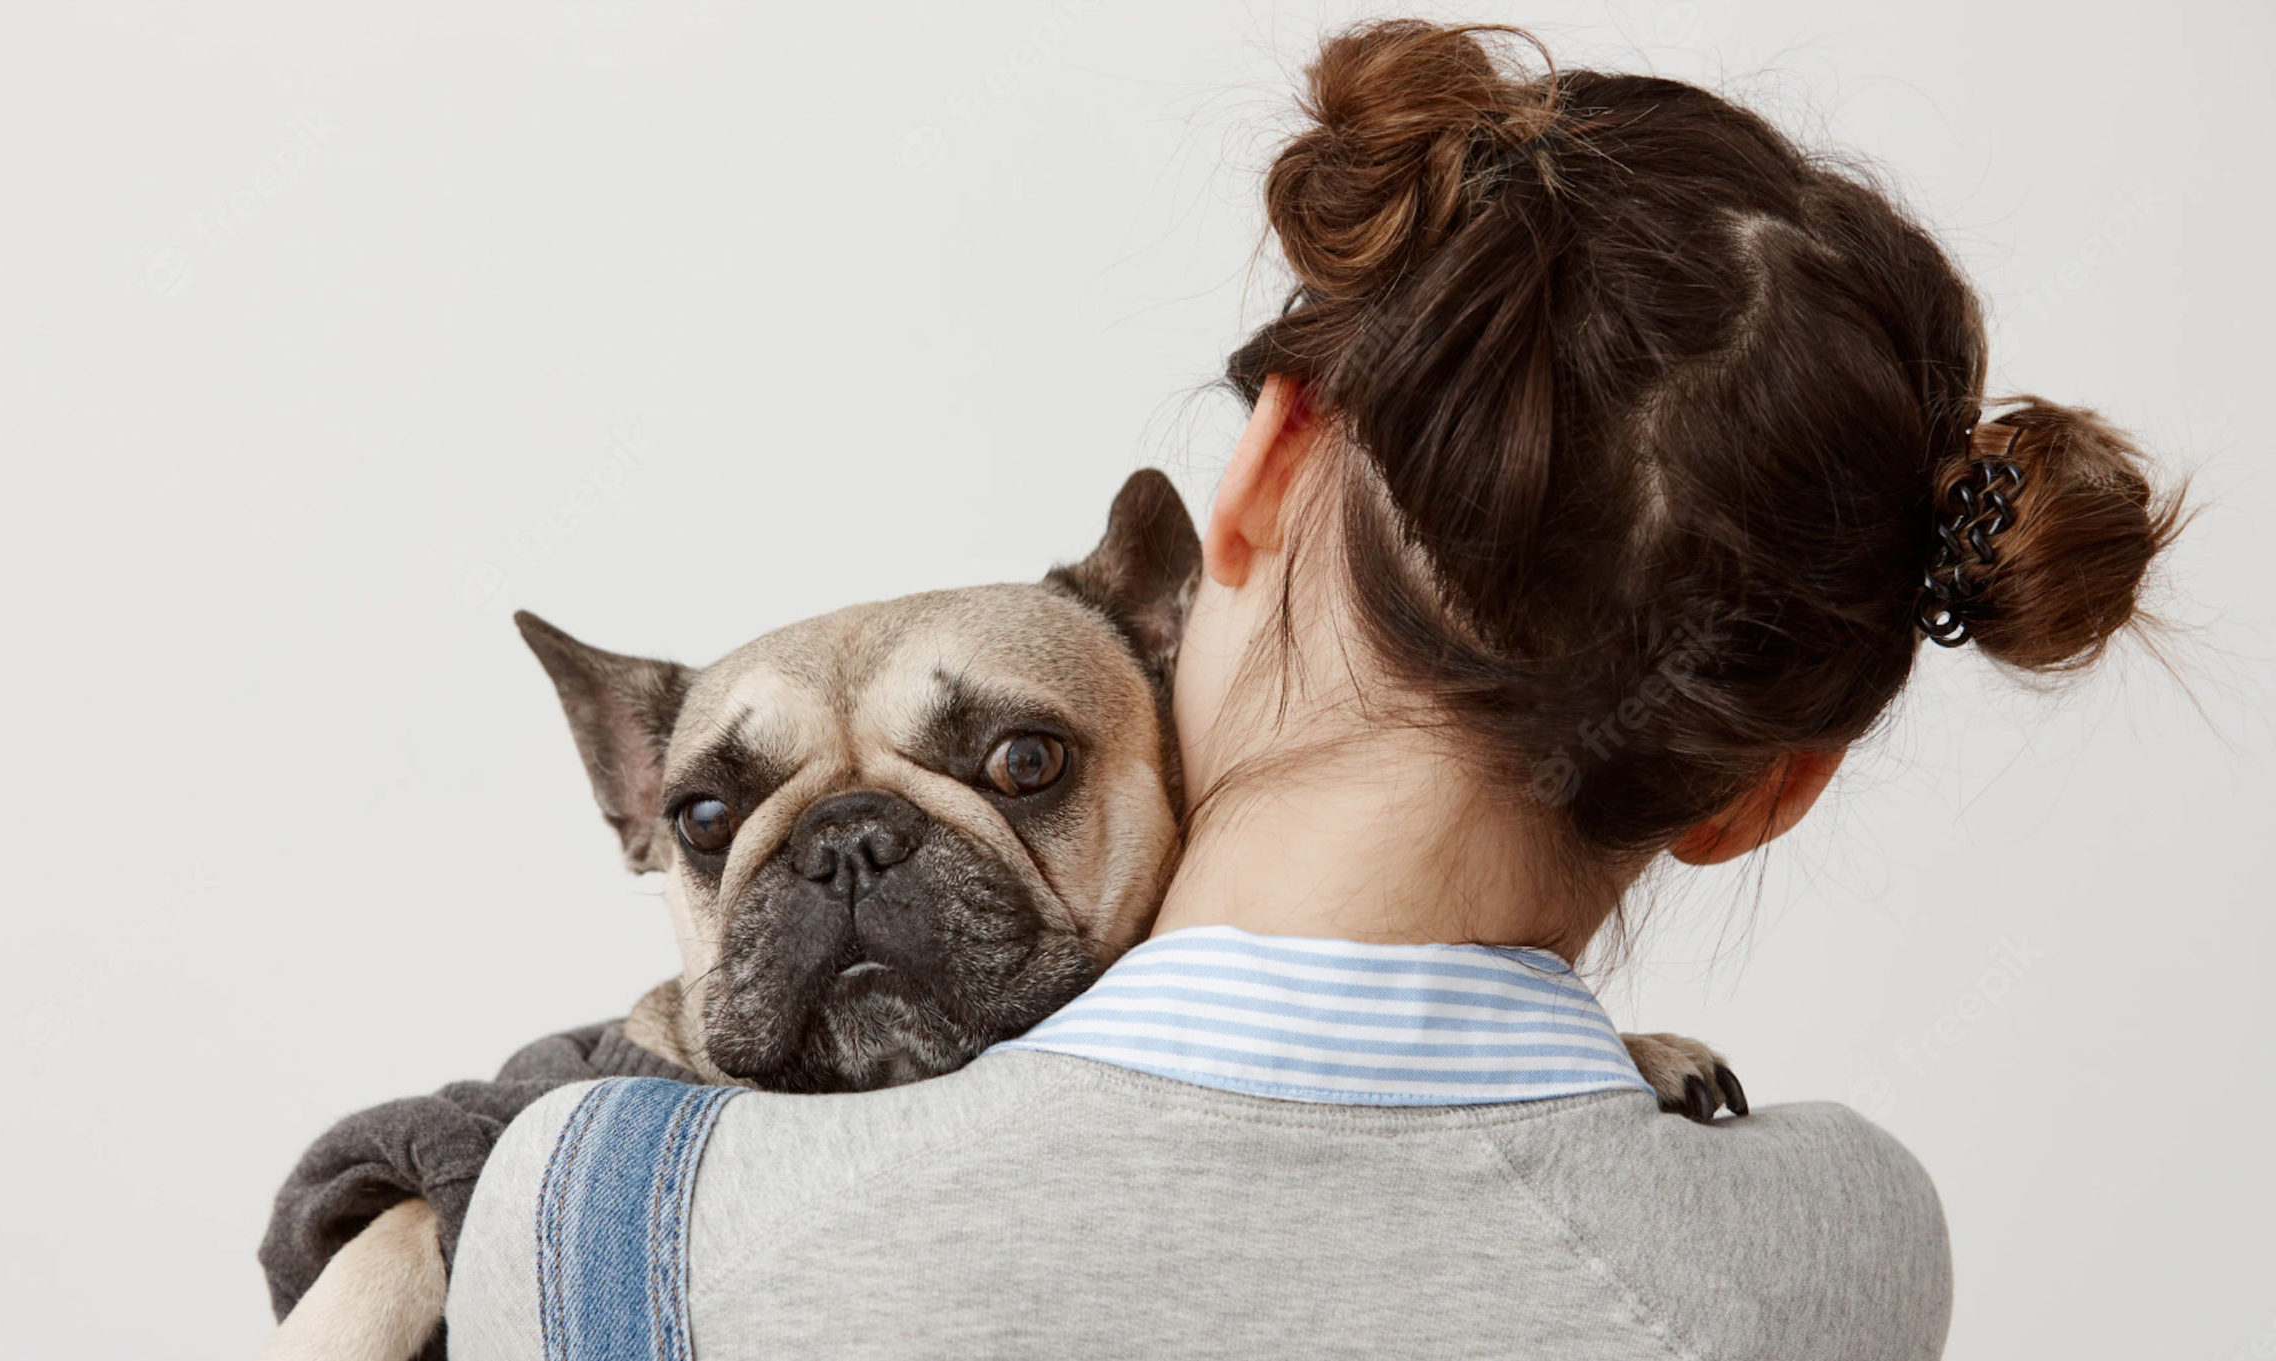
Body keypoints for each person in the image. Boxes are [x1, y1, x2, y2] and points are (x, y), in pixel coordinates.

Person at [442, 20, 2178, 1359]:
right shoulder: (1840, 1242)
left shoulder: (604, 1223)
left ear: (1263, 473)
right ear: (1769, 784)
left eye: (1023, 762)